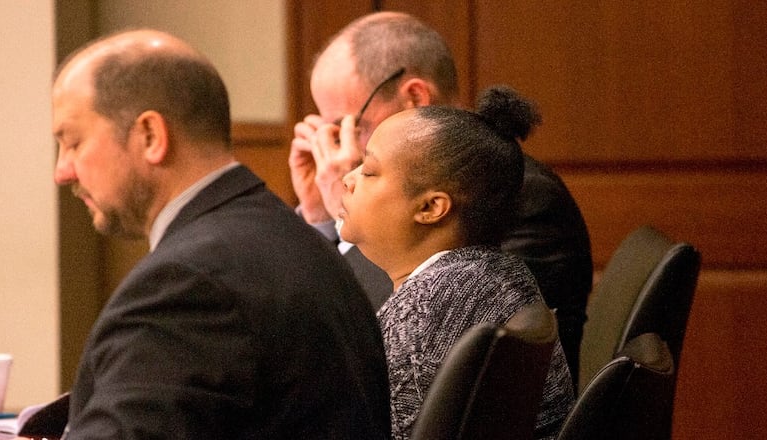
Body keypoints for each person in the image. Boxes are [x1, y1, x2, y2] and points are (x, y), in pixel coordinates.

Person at [51, 29, 389, 439]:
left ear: (150, 136)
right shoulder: (293, 239)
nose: (62, 171)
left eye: (73, 142)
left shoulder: (191, 284)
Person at [289, 11, 592, 385]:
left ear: (416, 98)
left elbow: (376, 335)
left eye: (350, 127)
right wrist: (322, 217)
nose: (336, 153)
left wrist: (344, 207)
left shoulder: (516, 193)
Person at [339, 86, 574, 440]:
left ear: (431, 208)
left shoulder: (428, 310)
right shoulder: (494, 275)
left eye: (369, 172)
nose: (348, 178)